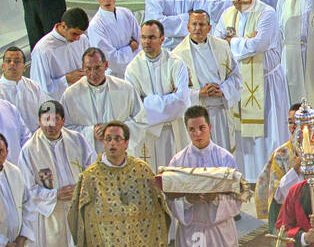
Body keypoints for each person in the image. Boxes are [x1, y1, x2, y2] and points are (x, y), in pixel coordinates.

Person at [165, 107, 243, 247]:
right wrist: (187, 201)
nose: (197, 134)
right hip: (194, 231)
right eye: (192, 129)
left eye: (201, 128)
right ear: (187, 130)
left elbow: (238, 197)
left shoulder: (225, 158)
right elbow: (171, 199)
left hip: (219, 229)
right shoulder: (178, 161)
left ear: (210, 127)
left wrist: (216, 199)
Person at [19, 101, 94, 247]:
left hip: (77, 211)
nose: (51, 125)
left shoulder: (77, 140)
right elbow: (27, 189)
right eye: (46, 120)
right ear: (39, 122)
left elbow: (91, 170)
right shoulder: (29, 150)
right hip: (49, 215)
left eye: (55, 120)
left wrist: (80, 191)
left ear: (62, 120)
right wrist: (54, 195)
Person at [217, 0, 289, 180]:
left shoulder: (267, 13)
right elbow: (218, 42)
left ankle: (272, 174)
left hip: (265, 82)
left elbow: (259, 44)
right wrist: (242, 42)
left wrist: (233, 41)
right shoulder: (228, 14)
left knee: (267, 132)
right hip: (240, 81)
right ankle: (247, 174)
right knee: (243, 134)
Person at [125, 20, 195, 171]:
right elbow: (135, 108)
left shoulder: (176, 63)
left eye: (151, 37)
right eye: (143, 37)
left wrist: (147, 101)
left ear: (162, 39)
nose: (146, 42)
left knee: (176, 178)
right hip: (147, 134)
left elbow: (182, 101)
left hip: (174, 132)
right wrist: (170, 99)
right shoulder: (133, 68)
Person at [171, 10, 239, 153]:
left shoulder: (222, 46)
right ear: (188, 27)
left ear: (209, 28)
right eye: (194, 24)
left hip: (220, 112)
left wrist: (223, 90)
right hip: (197, 115)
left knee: (222, 156)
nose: (197, 28)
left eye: (201, 24)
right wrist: (199, 93)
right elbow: (175, 93)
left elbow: (236, 77)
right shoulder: (177, 55)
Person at [63, 48, 141, 155]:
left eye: (97, 68)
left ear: (106, 65)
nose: (93, 73)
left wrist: (113, 130)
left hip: (120, 156)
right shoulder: (70, 95)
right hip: (89, 156)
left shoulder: (125, 88)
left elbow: (140, 120)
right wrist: (91, 132)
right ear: (82, 68)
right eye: (88, 69)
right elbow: (64, 129)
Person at [31, 8, 90, 103]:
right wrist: (67, 79)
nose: (77, 38)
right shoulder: (43, 50)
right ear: (63, 26)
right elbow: (40, 88)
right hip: (60, 105)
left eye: (80, 34)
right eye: (74, 34)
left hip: (84, 99)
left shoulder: (82, 39)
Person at [85, 0, 141, 78]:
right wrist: (130, 48)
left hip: (137, 70)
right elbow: (109, 59)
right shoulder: (96, 25)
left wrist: (128, 51)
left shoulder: (126, 13)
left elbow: (140, 42)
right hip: (113, 76)